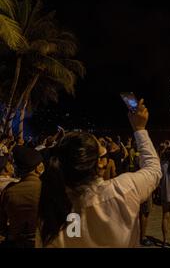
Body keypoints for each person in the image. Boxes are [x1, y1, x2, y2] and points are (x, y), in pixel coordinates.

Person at [36, 99, 162, 247]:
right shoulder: (124, 189)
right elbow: (153, 169)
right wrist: (140, 129)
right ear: (99, 163)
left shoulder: (51, 208)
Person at [0, 146, 44, 248]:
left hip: (16, 242)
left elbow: (2, 226)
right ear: (38, 168)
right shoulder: (48, 190)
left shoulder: (9, 192)